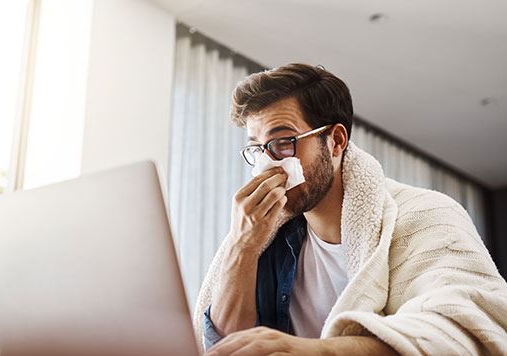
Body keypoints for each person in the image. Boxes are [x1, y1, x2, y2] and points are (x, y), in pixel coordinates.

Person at [193, 63, 507, 355]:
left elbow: (461, 328)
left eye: (283, 142)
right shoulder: (267, 241)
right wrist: (242, 245)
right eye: (257, 149)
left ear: (336, 141)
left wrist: (313, 351)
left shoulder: (426, 215)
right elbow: (225, 347)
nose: (267, 164)